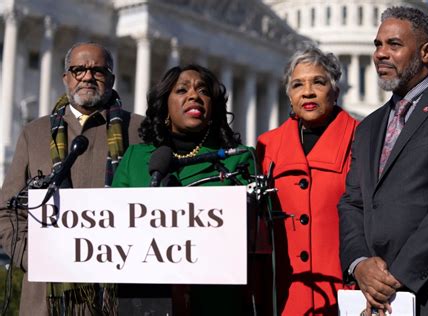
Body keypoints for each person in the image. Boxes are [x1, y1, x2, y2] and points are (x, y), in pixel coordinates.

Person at [338, 6, 428, 315]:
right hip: (376, 295)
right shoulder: (369, 127)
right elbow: (352, 202)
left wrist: (399, 272)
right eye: (377, 45)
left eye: (394, 45)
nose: (380, 54)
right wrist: (360, 265)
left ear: (426, 51)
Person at [0, 42, 143, 315]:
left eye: (98, 71)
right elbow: (7, 209)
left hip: (117, 296)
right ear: (66, 77)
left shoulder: (138, 130)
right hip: (46, 298)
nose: (88, 77)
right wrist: (29, 255)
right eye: (78, 70)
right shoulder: (35, 133)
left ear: (111, 79)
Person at [112, 64, 258, 315]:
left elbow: (249, 233)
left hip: (215, 299)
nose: (194, 96)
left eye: (203, 91)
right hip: (146, 298)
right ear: (165, 106)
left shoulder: (239, 159)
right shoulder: (135, 158)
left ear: (213, 108)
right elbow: (111, 226)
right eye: (182, 90)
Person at [256, 43, 358, 315]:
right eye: (298, 85)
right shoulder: (266, 147)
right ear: (289, 95)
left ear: (335, 90)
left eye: (318, 82)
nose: (308, 92)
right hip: (285, 296)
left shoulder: (362, 139)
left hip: (345, 295)